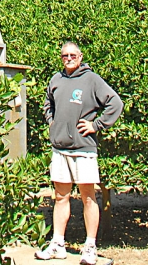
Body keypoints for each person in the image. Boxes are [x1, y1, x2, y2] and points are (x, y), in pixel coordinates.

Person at [35, 42, 123, 265]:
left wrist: (98, 125)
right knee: (60, 197)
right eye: (65, 55)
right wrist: (52, 123)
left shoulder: (91, 79)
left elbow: (115, 103)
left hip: (83, 149)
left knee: (88, 197)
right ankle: (57, 244)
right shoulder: (56, 79)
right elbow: (48, 103)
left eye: (73, 55)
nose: (68, 58)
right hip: (60, 149)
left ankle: (90, 247)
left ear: (80, 56)